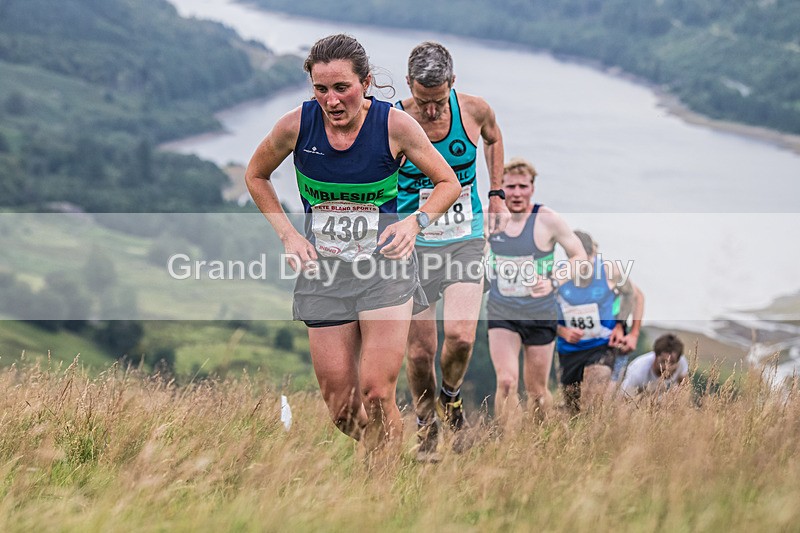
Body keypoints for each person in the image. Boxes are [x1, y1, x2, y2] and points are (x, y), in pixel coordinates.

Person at [245, 34, 460, 458]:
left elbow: (447, 182)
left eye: (341, 87)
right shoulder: (295, 125)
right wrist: (289, 235)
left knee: (378, 392)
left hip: (385, 271)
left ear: (365, 83)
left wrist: (415, 225)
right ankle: (382, 452)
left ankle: (381, 490)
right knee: (343, 409)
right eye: (321, 89)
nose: (332, 99)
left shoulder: (394, 126)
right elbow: (255, 175)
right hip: (323, 275)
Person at [394, 41, 507, 460]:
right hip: (413, 246)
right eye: (423, 102)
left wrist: (495, 192)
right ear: (409, 86)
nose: (431, 111)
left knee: (460, 337)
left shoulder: (474, 110)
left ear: (452, 84)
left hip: (465, 238)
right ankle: (426, 424)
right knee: (421, 351)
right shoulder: (393, 121)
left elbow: (494, 138)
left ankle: (452, 397)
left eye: (439, 101)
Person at [487, 158, 586, 429]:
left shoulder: (548, 220)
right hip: (502, 311)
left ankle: (540, 442)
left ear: (532, 188)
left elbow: (579, 256)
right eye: (510, 187)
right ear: (500, 189)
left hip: (540, 313)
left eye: (523, 186)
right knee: (507, 382)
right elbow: (468, 252)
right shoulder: (489, 217)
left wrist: (554, 281)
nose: (516, 193)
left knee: (537, 392)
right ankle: (505, 445)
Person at [555, 230, 644, 412]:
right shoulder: (558, 277)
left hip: (602, 346)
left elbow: (634, 295)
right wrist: (561, 331)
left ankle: (594, 436)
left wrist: (625, 328)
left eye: (587, 263)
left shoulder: (609, 271)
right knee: (573, 410)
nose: (583, 270)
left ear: (592, 255)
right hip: (569, 350)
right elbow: (538, 309)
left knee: (592, 404)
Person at [620, 333, 689, 399]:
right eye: (663, 362)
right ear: (655, 356)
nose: (666, 367)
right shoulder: (638, 371)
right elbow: (625, 400)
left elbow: (686, 385)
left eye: (671, 363)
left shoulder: (682, 362)